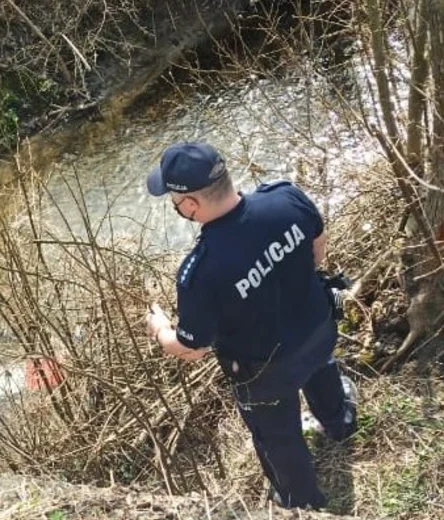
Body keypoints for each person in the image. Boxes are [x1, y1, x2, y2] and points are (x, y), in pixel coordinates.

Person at [143, 141, 358, 510]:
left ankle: (297, 497)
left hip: (265, 371)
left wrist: (160, 328)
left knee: (277, 434)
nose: (176, 207)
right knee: (320, 367)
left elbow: (194, 348)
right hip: (318, 326)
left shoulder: (200, 271)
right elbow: (317, 248)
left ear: (190, 204)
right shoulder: (286, 197)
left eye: (175, 201)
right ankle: (339, 422)